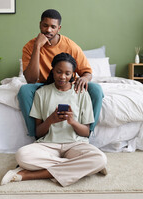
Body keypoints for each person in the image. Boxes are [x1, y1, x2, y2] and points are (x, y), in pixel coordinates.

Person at [1, 53, 107, 187]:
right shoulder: (41, 93)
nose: (63, 77)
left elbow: (86, 132)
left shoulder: (81, 93)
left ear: (73, 74)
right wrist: (51, 120)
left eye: (68, 73)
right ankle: (85, 167)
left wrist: (72, 121)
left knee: (101, 158)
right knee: (22, 155)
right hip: (48, 145)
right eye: (59, 72)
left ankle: (28, 175)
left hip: (75, 144)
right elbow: (39, 133)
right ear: (52, 71)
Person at [18, 9, 104, 137]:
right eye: (45, 25)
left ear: (59, 28)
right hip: (43, 84)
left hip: (68, 84)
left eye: (53, 27)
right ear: (40, 24)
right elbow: (31, 80)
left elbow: (87, 72)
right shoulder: (29, 47)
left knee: (96, 89)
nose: (48, 30)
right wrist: (37, 46)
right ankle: (36, 135)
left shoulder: (71, 46)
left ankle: (87, 133)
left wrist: (85, 79)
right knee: (24, 91)